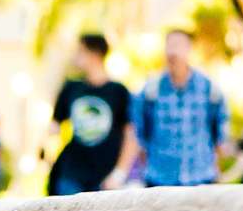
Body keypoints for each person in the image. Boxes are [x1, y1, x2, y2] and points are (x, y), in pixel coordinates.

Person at [126, 28, 227, 187]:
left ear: (189, 49)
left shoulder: (209, 89)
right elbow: (139, 133)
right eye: (169, 45)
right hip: (159, 181)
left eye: (178, 45)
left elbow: (219, 135)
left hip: (201, 179)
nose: (173, 51)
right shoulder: (151, 90)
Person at [47, 32, 131, 195]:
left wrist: (120, 172)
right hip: (72, 172)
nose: (76, 56)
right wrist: (48, 155)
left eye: (80, 51)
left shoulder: (118, 91)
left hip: (105, 175)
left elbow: (131, 134)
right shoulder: (71, 88)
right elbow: (54, 126)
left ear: (95, 54)